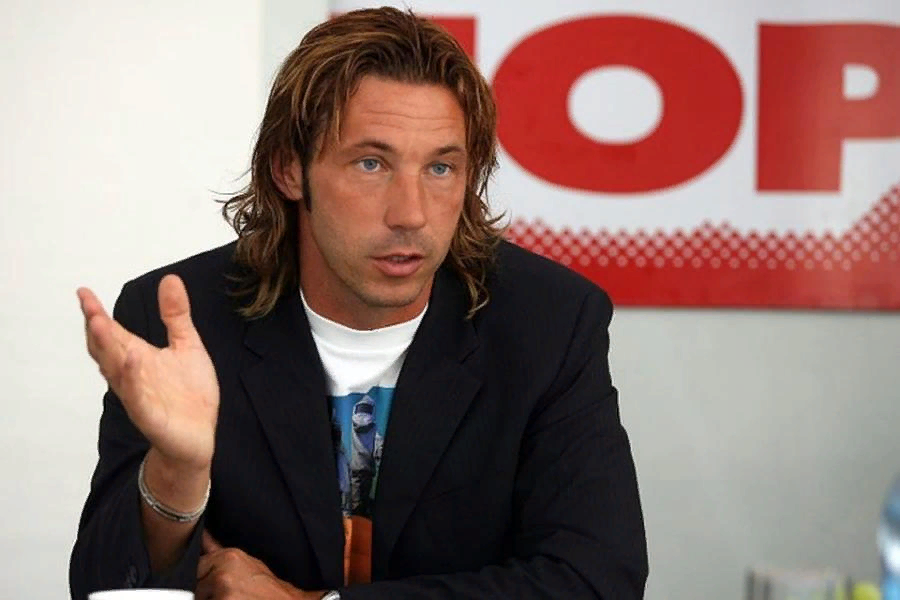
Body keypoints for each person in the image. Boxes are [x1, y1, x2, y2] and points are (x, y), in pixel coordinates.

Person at [69, 6, 648, 599]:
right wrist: (177, 475)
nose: (411, 214)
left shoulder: (549, 323)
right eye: (371, 164)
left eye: (441, 167)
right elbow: (101, 586)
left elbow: (597, 580)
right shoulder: (182, 321)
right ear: (289, 169)